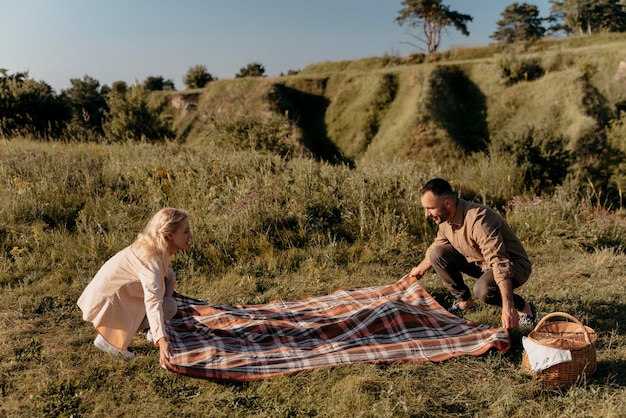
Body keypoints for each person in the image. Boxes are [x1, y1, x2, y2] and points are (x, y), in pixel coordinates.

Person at [408, 178, 536, 330]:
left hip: (512, 264)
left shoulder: (479, 220)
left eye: (430, 208)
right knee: (438, 253)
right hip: (481, 263)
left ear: (448, 203)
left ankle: (525, 308)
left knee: (483, 290)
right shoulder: (446, 220)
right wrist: (419, 270)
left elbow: (499, 262)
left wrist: (508, 308)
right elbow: (437, 245)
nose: (426, 214)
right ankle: (466, 303)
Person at [77, 208, 192, 364]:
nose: (190, 236)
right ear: (169, 235)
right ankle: (110, 341)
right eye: (185, 232)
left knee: (169, 275)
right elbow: (153, 302)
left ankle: (153, 330)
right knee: (169, 307)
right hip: (108, 303)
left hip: (115, 294)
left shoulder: (154, 248)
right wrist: (162, 341)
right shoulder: (151, 262)